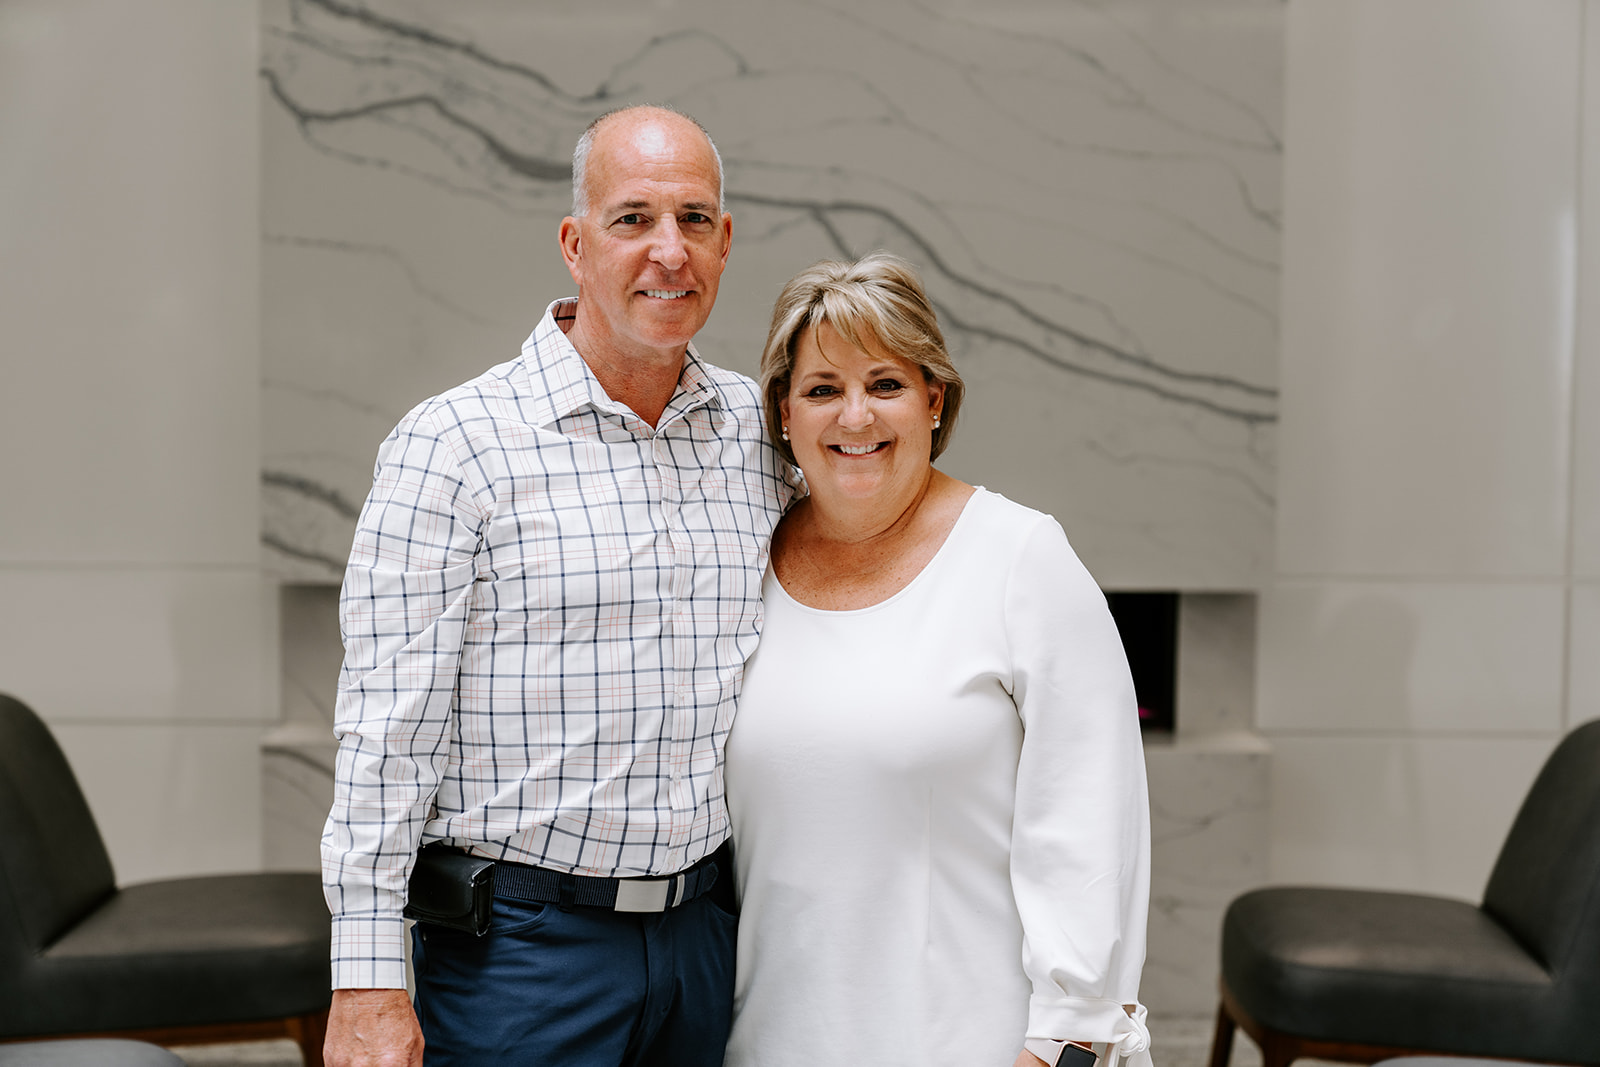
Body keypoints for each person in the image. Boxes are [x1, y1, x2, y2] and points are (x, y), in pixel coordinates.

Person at [320, 105, 796, 1067]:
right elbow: (387, 729)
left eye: (695, 220)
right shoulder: (453, 446)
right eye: (634, 219)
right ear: (576, 246)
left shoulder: (762, 431)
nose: (669, 251)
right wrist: (367, 980)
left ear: (727, 241)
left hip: (708, 938)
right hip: (523, 957)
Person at [722, 252, 1154, 1067]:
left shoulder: (1021, 558)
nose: (855, 416)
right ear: (783, 411)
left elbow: (1093, 830)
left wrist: (1066, 1042)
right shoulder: (743, 565)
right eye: (822, 389)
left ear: (934, 398)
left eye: (884, 383)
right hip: (764, 1043)